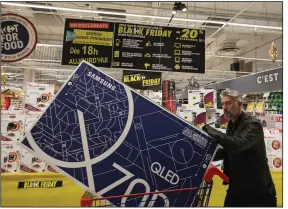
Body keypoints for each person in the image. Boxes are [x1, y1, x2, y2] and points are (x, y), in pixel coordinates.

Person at [202, 89, 277, 207]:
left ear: (240, 104)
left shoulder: (253, 125)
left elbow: (237, 145)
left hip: (258, 194)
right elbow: (228, 150)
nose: (225, 107)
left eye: (228, 103)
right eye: (223, 104)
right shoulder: (232, 124)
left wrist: (208, 129)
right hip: (236, 189)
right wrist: (205, 154)